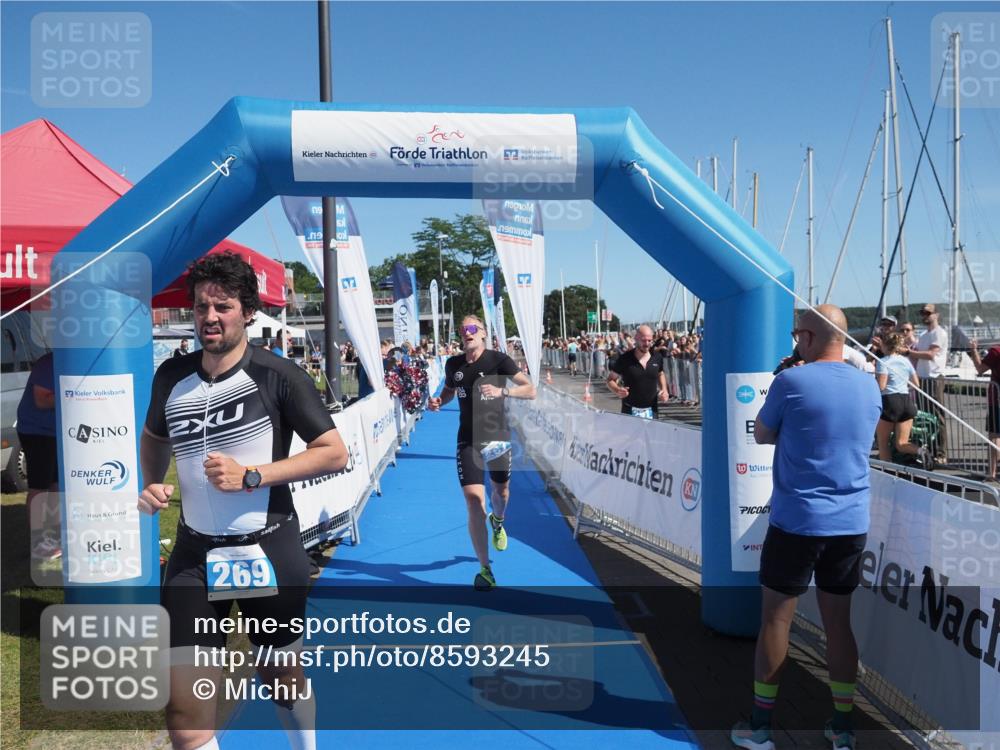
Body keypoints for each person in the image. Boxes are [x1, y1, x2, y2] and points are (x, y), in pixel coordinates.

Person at [138, 251, 348, 750]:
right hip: (194, 556)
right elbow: (153, 435)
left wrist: (254, 475)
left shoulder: (279, 375)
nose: (210, 317)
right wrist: (151, 481)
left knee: (280, 678)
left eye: (223, 306)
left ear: (248, 311)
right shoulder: (172, 376)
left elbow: (334, 453)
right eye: (201, 307)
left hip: (267, 551)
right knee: (184, 713)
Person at [731, 305, 881, 750]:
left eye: (798, 335)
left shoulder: (791, 381)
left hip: (797, 520)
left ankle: (761, 728)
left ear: (810, 337)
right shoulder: (869, 385)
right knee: (839, 625)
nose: (795, 342)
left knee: (776, 620)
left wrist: (787, 387)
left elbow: (761, 433)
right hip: (850, 522)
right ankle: (843, 728)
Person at [427, 315, 536, 590]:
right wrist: (440, 400)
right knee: (474, 501)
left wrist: (504, 392)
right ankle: (485, 569)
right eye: (463, 330)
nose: (467, 333)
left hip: (497, 438)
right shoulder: (454, 364)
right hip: (468, 440)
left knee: (501, 494)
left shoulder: (498, 360)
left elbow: (531, 389)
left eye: (472, 328)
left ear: (483, 333)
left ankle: (498, 521)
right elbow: (449, 391)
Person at [15, 352, 61, 560]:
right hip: (37, 431)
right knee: (39, 488)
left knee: (56, 486)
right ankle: (38, 543)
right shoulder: (48, 362)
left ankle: (53, 537)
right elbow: (41, 400)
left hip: (56, 432)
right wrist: (73, 394)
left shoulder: (69, 359)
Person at [874, 333, 922, 464]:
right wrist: (903, 388)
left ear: (884, 345)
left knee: (883, 443)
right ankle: (921, 451)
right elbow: (916, 384)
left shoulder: (883, 362)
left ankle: (887, 472)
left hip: (890, 402)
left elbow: (881, 386)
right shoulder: (905, 361)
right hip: (906, 401)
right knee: (901, 443)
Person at [909, 303, 949, 463]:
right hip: (923, 378)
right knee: (925, 416)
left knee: (937, 415)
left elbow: (931, 354)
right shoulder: (925, 334)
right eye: (922, 313)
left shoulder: (939, 333)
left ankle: (941, 452)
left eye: (928, 313)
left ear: (936, 315)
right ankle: (929, 450)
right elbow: (917, 354)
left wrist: (910, 352)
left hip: (934, 377)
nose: (924, 315)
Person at [606, 325, 668, 418]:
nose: (647, 344)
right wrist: (617, 390)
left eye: (649, 340)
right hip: (630, 410)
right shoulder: (625, 359)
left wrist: (664, 389)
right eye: (643, 340)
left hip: (652, 410)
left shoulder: (657, 357)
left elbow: (660, 373)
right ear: (636, 339)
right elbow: (610, 380)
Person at [969, 338, 1000, 481]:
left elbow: (980, 368)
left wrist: (974, 349)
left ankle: (992, 473)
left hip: (997, 400)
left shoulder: (996, 351)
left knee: (994, 436)